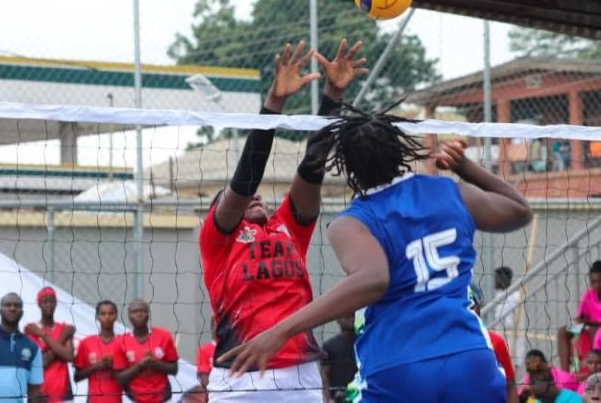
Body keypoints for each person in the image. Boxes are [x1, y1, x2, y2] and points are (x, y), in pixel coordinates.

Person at [219, 105, 535, 402]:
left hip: (398, 365)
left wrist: (281, 330)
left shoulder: (352, 222)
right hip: (467, 357)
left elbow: (373, 279)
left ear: (348, 168)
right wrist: (466, 168)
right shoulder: (453, 192)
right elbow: (519, 211)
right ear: (400, 152)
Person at [199, 38, 368, 401]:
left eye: (257, 196)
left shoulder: (287, 226)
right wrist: (273, 104)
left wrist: (333, 94)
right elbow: (245, 178)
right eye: (243, 199)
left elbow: (313, 166)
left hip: (299, 374)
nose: (254, 196)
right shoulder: (219, 238)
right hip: (239, 377)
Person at [115, 299, 178, 402]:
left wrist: (154, 363)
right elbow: (119, 378)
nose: (139, 314)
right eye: (134, 312)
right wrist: (140, 365)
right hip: (133, 398)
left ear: (148, 314)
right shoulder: (120, 341)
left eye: (142, 311)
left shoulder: (164, 336)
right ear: (129, 316)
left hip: (163, 398)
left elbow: (174, 369)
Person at [469, 283, 519, 403]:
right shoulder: (443, 344)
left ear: (479, 308)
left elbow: (510, 385)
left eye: (471, 307)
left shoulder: (495, 342)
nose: (468, 313)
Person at [25, 286, 75, 403]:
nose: (48, 305)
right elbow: (42, 362)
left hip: (63, 393)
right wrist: (61, 339)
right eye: (44, 301)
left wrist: (42, 336)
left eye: (52, 301)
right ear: (38, 304)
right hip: (39, 394)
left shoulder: (64, 328)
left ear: (56, 303)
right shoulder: (32, 330)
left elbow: (69, 356)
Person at [74, 299, 124, 402]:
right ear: (97, 317)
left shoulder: (123, 342)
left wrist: (114, 365)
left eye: (111, 313)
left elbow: (129, 374)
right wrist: (96, 366)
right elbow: (77, 377)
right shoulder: (86, 343)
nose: (107, 317)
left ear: (116, 316)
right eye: (103, 314)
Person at [559, 262, 601, 371]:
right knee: (563, 331)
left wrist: (590, 323)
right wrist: (582, 322)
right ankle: (565, 374)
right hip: (589, 327)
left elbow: (591, 323)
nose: (596, 285)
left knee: (595, 330)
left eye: (598, 281)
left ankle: (592, 368)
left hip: (596, 329)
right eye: (593, 282)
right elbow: (580, 318)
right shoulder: (589, 295)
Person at [493, 266, 525, 368]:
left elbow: (508, 322)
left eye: (497, 277)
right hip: (501, 340)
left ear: (503, 278)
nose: (495, 281)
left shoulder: (514, 296)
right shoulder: (499, 295)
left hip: (511, 342)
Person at [321, 316, 357, 403]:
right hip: (338, 398)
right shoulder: (329, 345)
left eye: (353, 315)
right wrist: (328, 399)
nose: (351, 319)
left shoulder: (363, 343)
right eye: (347, 316)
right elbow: (325, 375)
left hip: (360, 394)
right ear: (338, 319)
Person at [196, 322, 216, 390]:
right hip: (213, 392)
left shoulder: (233, 349)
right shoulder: (204, 350)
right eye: (216, 325)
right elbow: (204, 378)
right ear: (211, 328)